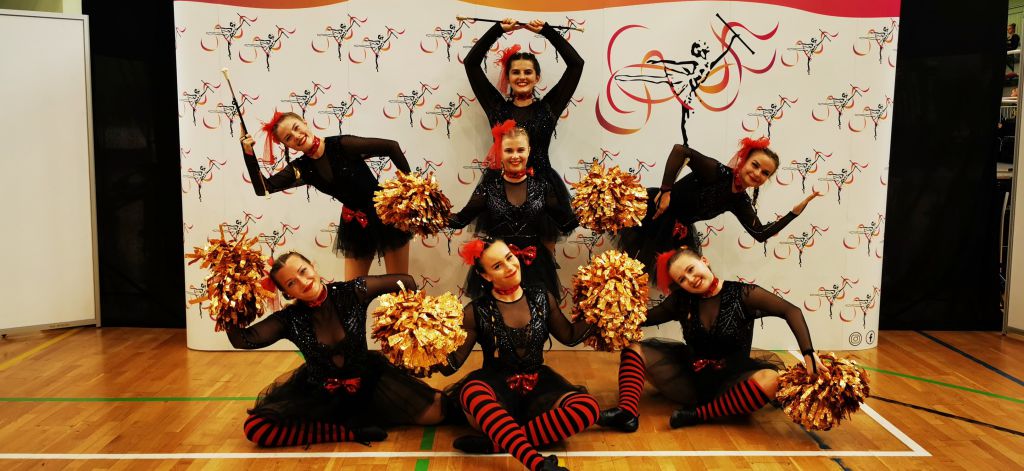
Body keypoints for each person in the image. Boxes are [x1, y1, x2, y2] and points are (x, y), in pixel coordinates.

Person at [225, 251, 445, 447]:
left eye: (303, 271)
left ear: (313, 267)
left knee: (438, 412)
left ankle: (356, 422)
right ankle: (348, 433)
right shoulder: (289, 319)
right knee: (256, 428)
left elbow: (405, 281)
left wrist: (408, 318)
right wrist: (229, 302)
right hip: (320, 396)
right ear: (287, 293)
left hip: (370, 383)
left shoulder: (352, 291)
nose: (303, 282)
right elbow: (243, 340)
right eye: (291, 283)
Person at [598, 246, 822, 431]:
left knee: (773, 379)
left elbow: (791, 311)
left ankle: (699, 415)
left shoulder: (743, 294)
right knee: (634, 349)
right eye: (682, 279)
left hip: (733, 384)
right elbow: (641, 319)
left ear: (704, 261)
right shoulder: (681, 300)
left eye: (691, 269)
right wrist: (605, 310)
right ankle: (627, 413)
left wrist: (809, 354)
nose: (691, 279)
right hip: (691, 380)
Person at [437, 238, 597, 471]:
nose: (510, 267)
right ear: (485, 276)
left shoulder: (542, 298)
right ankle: (537, 463)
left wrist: (600, 309)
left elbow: (570, 336)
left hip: (539, 386)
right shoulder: (476, 311)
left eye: (509, 257)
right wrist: (425, 353)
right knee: (471, 393)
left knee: (587, 408)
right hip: (496, 387)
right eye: (497, 266)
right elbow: (452, 365)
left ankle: (498, 443)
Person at [240, 111, 412, 280]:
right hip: (354, 223)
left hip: (384, 215)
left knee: (400, 286)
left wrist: (410, 189)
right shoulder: (301, 167)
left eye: (296, 128)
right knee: (353, 291)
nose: (296, 136)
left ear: (305, 123)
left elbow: (391, 147)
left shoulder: (342, 145)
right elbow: (264, 189)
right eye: (288, 138)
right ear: (287, 145)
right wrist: (248, 152)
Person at [616, 138, 821, 274]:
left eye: (765, 173)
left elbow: (759, 233)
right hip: (651, 210)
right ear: (744, 161)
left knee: (647, 271)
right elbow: (680, 151)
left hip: (673, 231)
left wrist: (793, 213)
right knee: (620, 249)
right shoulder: (717, 172)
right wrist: (666, 191)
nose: (758, 173)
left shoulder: (740, 200)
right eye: (755, 165)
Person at [464, 17, 583, 215]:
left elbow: (576, 65)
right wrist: (497, 30)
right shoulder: (496, 107)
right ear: (508, 77)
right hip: (500, 191)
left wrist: (547, 31)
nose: (521, 77)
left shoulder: (549, 107)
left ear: (537, 78)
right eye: (515, 72)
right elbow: (471, 64)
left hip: (543, 191)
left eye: (528, 72)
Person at [448, 122, 578, 299]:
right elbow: (459, 220)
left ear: (529, 151)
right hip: (499, 269)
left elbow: (566, 223)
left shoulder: (543, 187)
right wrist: (427, 212)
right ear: (499, 152)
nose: (515, 156)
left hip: (535, 268)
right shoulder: (487, 189)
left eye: (520, 150)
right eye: (509, 150)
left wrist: (595, 209)